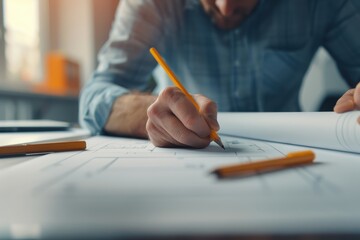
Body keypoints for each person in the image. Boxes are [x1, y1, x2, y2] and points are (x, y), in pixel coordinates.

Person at [80, 0, 360, 148]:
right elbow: (95, 96)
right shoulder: (153, 3)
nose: (225, 6)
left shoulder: (324, 3)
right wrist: (151, 114)